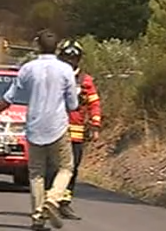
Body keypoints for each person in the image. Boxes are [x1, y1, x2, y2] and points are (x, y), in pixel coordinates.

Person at [0, 29, 78, 231]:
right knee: (66, 167)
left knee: (36, 173)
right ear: (57, 48)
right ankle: (53, 199)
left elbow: (9, 97)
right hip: (57, 126)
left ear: (37, 46)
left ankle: (37, 217)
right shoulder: (65, 70)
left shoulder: (27, 68)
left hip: (34, 126)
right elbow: (73, 104)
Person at [44, 39, 102, 220]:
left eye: (74, 57)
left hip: (75, 131)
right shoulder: (52, 76)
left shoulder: (85, 80)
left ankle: (64, 203)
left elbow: (94, 103)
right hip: (53, 128)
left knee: (72, 168)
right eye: (67, 57)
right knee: (52, 167)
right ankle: (47, 200)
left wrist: (95, 124)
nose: (70, 61)